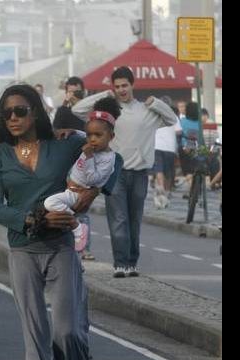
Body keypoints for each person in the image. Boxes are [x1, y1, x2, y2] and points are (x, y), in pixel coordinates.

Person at [0, 83, 120, 360]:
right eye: (6, 113)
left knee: (67, 332)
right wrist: (30, 219)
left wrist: (91, 193)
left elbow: (111, 158)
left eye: (20, 111)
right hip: (22, 249)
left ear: (35, 113)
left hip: (61, 248)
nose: (12, 118)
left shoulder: (64, 145)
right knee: (35, 332)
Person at [72, 66, 177, 278]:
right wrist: (104, 95)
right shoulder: (109, 113)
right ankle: (120, 263)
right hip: (114, 173)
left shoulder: (147, 111)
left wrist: (155, 103)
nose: (121, 90)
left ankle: (132, 262)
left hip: (140, 173)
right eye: (117, 86)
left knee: (134, 219)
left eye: (124, 85)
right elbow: (78, 110)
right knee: (118, 218)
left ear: (132, 85)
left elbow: (172, 119)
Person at [44, 97, 120, 253]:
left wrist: (94, 191)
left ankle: (83, 250)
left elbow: (104, 176)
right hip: (67, 187)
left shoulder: (109, 153)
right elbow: (82, 123)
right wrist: (73, 131)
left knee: (79, 220)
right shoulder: (85, 138)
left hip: (81, 192)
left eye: (98, 135)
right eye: (89, 134)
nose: (93, 139)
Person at [152, 102, 181, 209]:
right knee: (168, 172)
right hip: (170, 148)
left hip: (157, 147)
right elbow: (179, 132)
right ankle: (167, 192)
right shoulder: (174, 117)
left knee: (159, 171)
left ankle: (161, 191)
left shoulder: (155, 117)